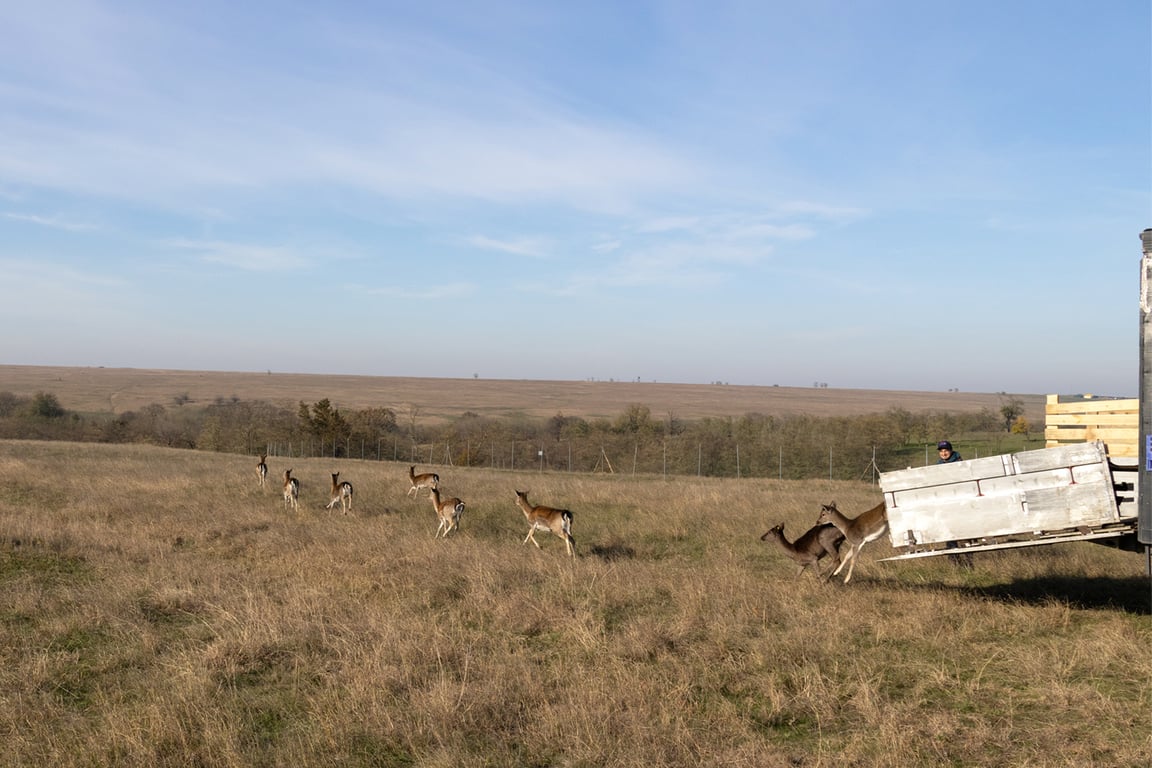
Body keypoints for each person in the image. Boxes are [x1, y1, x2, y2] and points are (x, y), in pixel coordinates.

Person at [936, 440, 973, 566]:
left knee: (967, 531)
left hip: (962, 501)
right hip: (947, 503)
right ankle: (955, 561)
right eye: (941, 451)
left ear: (951, 451)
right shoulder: (938, 466)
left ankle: (969, 560)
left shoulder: (959, 463)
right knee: (949, 531)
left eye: (946, 450)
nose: (944, 453)